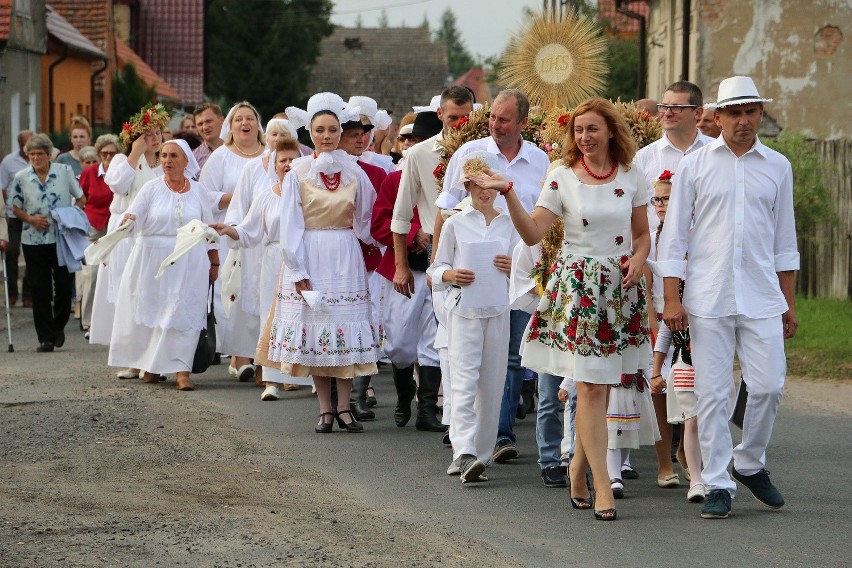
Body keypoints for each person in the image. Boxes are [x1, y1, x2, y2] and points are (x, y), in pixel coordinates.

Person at [481, 97, 652, 521]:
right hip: (578, 288)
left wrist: (640, 258)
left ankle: (576, 466)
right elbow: (533, 232)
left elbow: (643, 233)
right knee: (590, 388)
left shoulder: (631, 174)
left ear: (611, 131)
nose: (584, 137)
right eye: (578, 130)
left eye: (592, 129)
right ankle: (600, 485)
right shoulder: (561, 177)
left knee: (603, 386)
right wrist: (508, 195)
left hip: (618, 288)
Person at [658, 76, 799, 519]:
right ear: (715, 118)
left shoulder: (778, 166)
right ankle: (718, 482)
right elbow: (674, 237)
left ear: (760, 114)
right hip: (707, 295)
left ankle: (749, 461)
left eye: (750, 111)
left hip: (762, 295)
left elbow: (785, 242)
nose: (742, 120)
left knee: (769, 384)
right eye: (733, 112)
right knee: (712, 393)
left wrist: (788, 303)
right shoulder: (695, 166)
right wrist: (671, 301)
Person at [436, 89, 551, 464]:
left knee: (509, 363)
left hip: (512, 286)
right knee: (465, 372)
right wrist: (448, 274)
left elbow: (538, 227)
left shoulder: (539, 159)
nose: (495, 125)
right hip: (467, 298)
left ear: (521, 123)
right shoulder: (467, 156)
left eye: (504, 120)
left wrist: (527, 269)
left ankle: (490, 442)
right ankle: (471, 447)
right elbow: (444, 217)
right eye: (492, 118)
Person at [255, 92, 379, 434]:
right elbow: (290, 223)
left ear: (341, 133)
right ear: (310, 133)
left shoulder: (355, 172)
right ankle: (325, 409)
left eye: (333, 130)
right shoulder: (297, 172)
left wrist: (380, 243)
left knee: (343, 330)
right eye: (320, 130)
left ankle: (344, 408)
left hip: (344, 253)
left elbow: (367, 219)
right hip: (310, 250)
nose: (327, 136)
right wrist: (297, 269)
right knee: (316, 333)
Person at [634, 81, 713, 483]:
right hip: (655, 272)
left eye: (676, 107)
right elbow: (636, 221)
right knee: (658, 369)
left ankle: (692, 447)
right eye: (663, 106)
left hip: (703, 273)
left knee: (698, 367)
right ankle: (666, 460)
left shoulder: (713, 154)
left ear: (697, 113)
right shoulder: (645, 158)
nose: (666, 112)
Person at [428, 151, 517, 483]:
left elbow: (528, 268)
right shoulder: (455, 222)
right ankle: (463, 450)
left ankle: (478, 454)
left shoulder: (510, 224)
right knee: (463, 381)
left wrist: (513, 267)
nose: (483, 191)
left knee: (492, 383)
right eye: (475, 184)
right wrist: (451, 275)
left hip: (497, 310)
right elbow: (435, 269)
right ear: (465, 185)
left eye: (488, 184)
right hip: (464, 311)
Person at [391, 87, 474, 432]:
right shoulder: (420, 154)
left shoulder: (483, 151)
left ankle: (448, 413)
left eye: (466, 117)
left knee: (461, 335)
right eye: (453, 117)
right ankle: (420, 398)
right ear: (440, 115)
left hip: (477, 249)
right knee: (424, 336)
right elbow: (399, 215)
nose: (459, 123)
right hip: (434, 248)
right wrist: (399, 264)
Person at [108, 139, 218, 391]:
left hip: (189, 259)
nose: (167, 160)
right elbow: (134, 217)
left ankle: (182, 371)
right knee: (155, 311)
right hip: (152, 259)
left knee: (185, 312)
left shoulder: (199, 191)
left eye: (173, 156)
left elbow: (209, 230)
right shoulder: (150, 188)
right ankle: (153, 365)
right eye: (164, 155)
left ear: (186, 161)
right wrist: (128, 221)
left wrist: (214, 262)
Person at [211, 138, 306, 401]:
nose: (287, 165)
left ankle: (299, 373)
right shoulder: (266, 196)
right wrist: (230, 229)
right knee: (271, 317)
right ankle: (272, 380)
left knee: (300, 318)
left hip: (302, 262)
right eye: (282, 160)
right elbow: (249, 230)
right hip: (273, 261)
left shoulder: (309, 194)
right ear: (274, 166)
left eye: (292, 160)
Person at [371, 110, 443, 428]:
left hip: (437, 270)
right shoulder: (394, 179)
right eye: (412, 140)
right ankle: (404, 395)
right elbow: (379, 224)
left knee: (432, 341)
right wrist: (415, 232)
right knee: (399, 342)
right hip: (405, 270)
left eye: (424, 141)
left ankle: (427, 410)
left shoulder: (446, 177)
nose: (416, 146)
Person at [89, 104, 168, 382]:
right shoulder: (124, 161)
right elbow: (119, 186)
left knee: (151, 295)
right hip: (126, 234)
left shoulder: (164, 164)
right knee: (129, 294)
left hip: (153, 236)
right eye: (148, 134)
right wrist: (135, 152)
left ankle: (152, 357)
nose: (155, 138)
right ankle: (133, 359)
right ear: (135, 137)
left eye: (158, 133)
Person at [199, 101, 266, 383]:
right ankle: (240, 355)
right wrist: (237, 196)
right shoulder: (221, 157)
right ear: (231, 125)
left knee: (261, 292)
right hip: (231, 233)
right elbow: (204, 196)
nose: (244, 123)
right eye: (238, 119)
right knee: (236, 292)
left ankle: (263, 356)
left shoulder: (270, 154)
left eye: (249, 118)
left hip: (263, 236)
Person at [9, 133, 87, 352]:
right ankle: (46, 337)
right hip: (32, 240)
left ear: (48, 154)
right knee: (40, 288)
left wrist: (68, 215)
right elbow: (14, 207)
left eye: (40, 154)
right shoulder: (21, 177)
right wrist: (31, 219)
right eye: (32, 154)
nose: (36, 158)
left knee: (63, 285)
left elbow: (80, 198)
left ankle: (58, 324)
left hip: (61, 238)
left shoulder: (64, 172)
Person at [337, 113, 386, 420]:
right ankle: (336, 393)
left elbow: (380, 218)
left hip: (369, 258)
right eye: (352, 133)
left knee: (368, 322)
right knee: (335, 321)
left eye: (364, 133)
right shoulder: (317, 170)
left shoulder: (375, 172)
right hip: (335, 256)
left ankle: (358, 394)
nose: (360, 138)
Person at [77, 135, 120, 334]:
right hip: (93, 227)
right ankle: (88, 321)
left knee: (114, 274)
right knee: (92, 275)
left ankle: (111, 320)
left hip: (115, 230)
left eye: (112, 153)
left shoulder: (122, 172)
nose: (108, 157)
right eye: (104, 154)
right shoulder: (89, 173)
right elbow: (79, 198)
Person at [1, 130, 34, 307]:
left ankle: (28, 294)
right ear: (20, 144)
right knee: (12, 251)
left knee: (31, 254)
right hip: (13, 215)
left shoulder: (38, 158)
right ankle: (12, 293)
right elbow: (2, 187)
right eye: (24, 144)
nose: (28, 147)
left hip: (32, 216)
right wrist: (4, 212)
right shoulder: (9, 161)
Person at [192, 103, 226, 170]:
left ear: (222, 120)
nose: (205, 127)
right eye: (200, 124)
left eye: (208, 121)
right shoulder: (193, 159)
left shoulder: (240, 148)